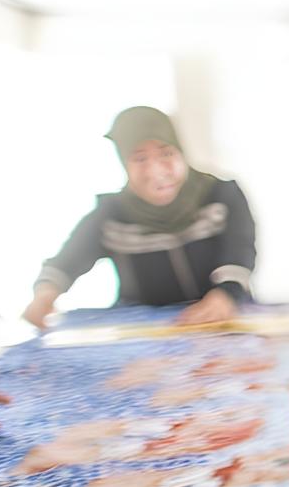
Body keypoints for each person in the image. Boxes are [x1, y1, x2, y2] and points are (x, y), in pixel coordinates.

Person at [22, 107, 257, 329]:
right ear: (124, 163)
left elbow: (240, 252)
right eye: (140, 158)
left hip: (224, 320)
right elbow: (66, 262)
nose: (156, 171)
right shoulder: (110, 214)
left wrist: (225, 295)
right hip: (148, 335)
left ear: (181, 151)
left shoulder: (222, 195)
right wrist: (44, 295)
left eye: (166, 153)